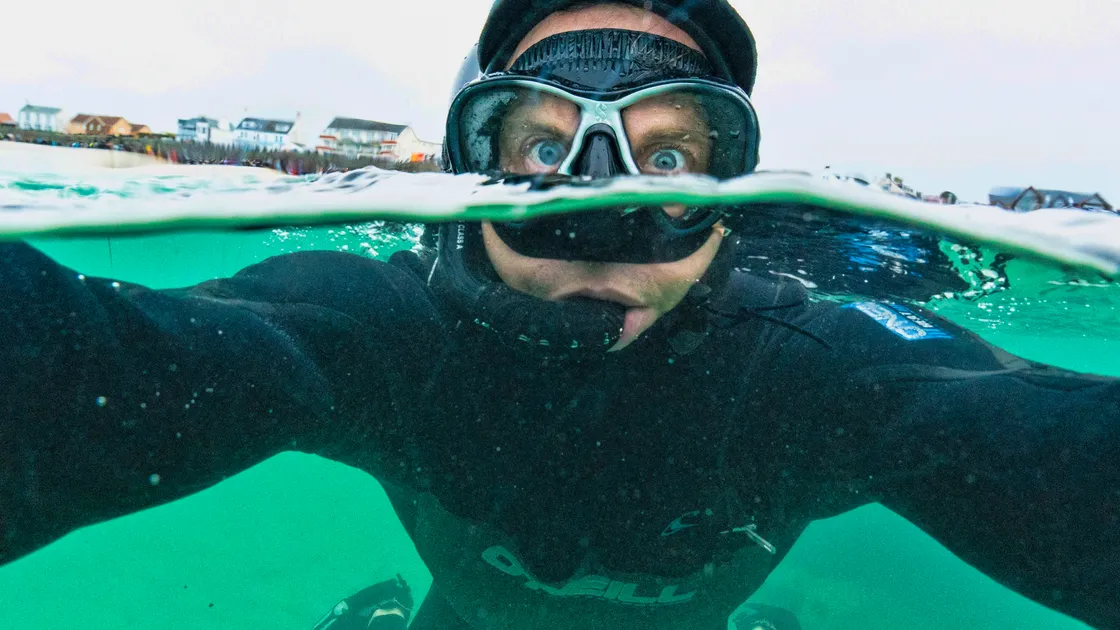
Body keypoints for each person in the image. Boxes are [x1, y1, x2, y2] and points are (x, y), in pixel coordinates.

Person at [0, 1, 1117, 629]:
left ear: (730, 196)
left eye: (671, 158)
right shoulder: (382, 331)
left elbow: (1034, 442)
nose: (604, 214)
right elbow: (73, 375)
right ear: (468, 170)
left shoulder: (815, 365)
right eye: (542, 148)